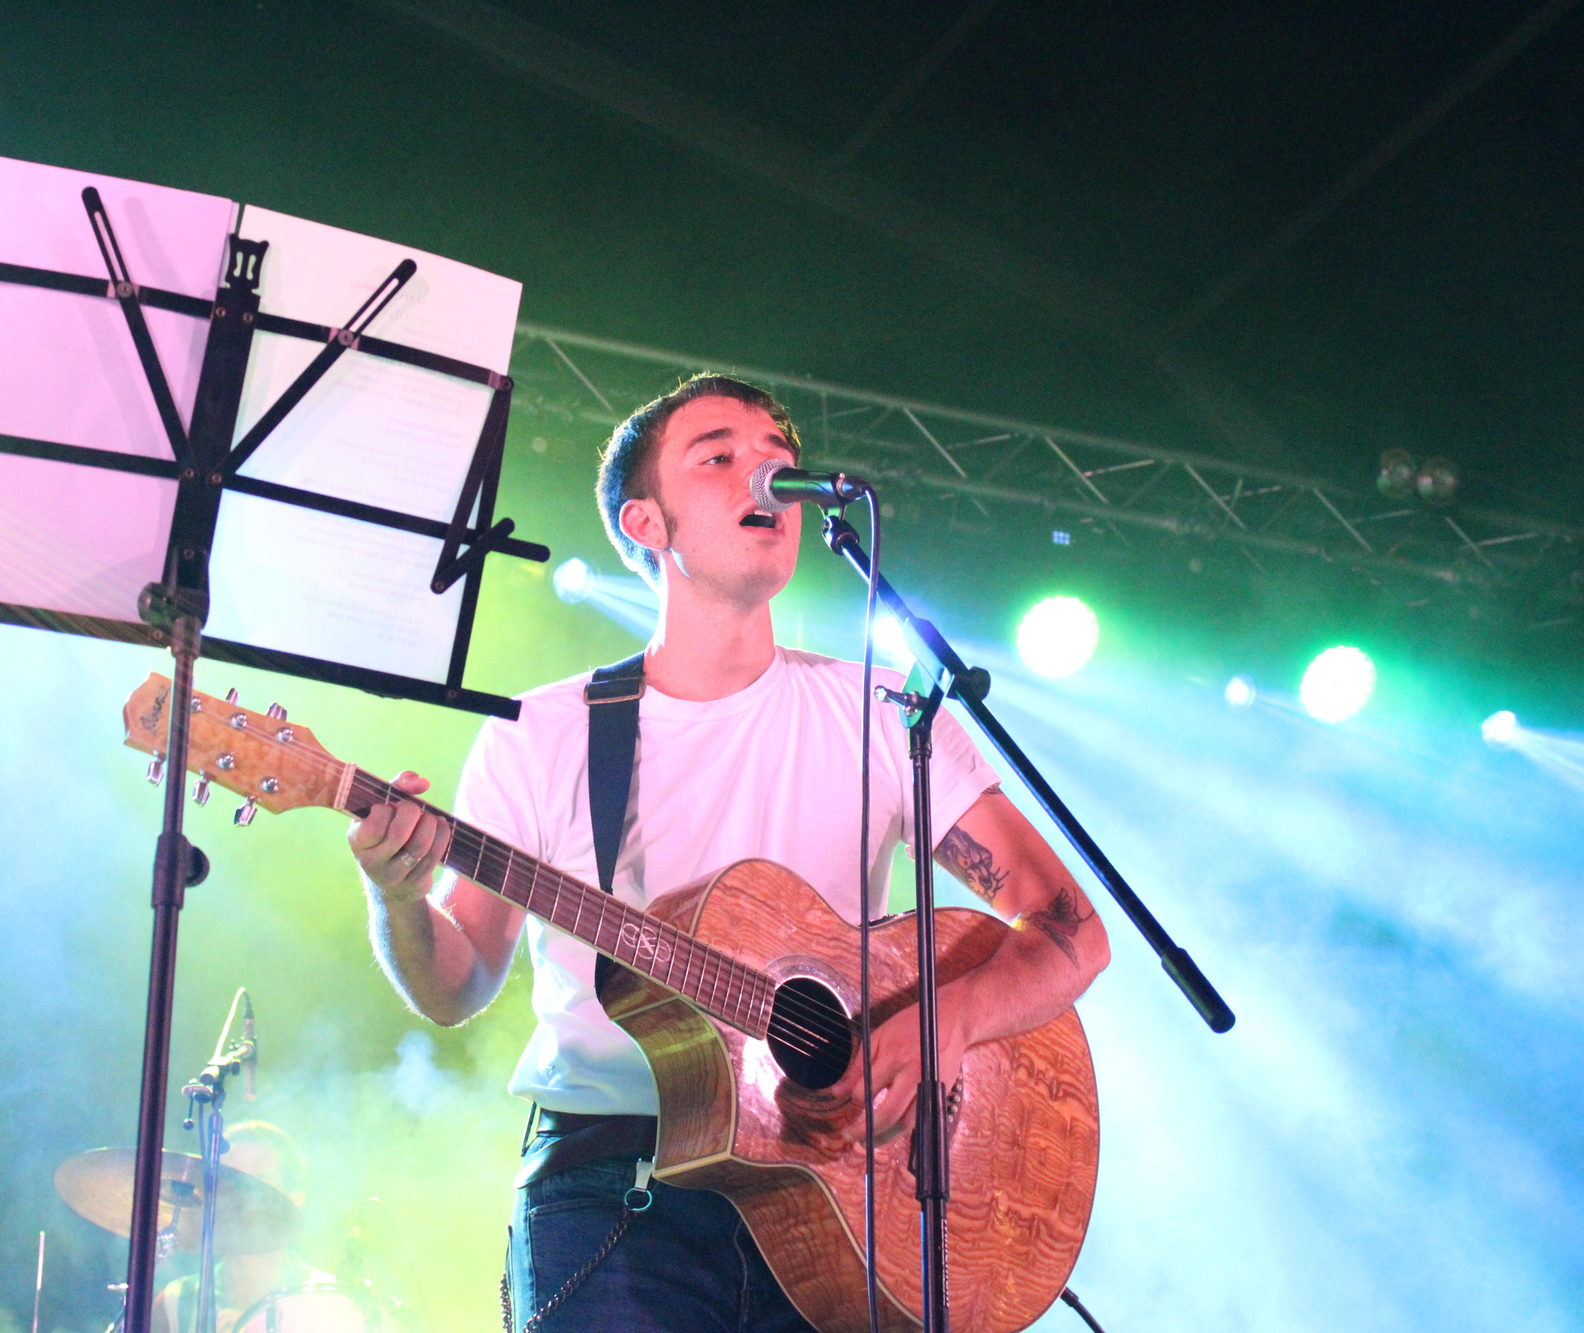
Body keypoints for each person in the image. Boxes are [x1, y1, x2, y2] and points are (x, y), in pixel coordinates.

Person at [347, 375, 1111, 1331]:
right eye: (718, 455)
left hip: (841, 1188)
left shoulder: (878, 714)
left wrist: (942, 1022)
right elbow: (455, 987)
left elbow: (1073, 931)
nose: (767, 470)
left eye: (778, 456)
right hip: (616, 1193)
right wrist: (397, 896)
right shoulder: (540, 734)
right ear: (647, 523)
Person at [151, 1120, 328, 1333]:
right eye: (229, 1179)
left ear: (295, 1200)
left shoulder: (331, 1302)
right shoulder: (176, 1303)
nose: (241, 1194)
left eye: (259, 1180)